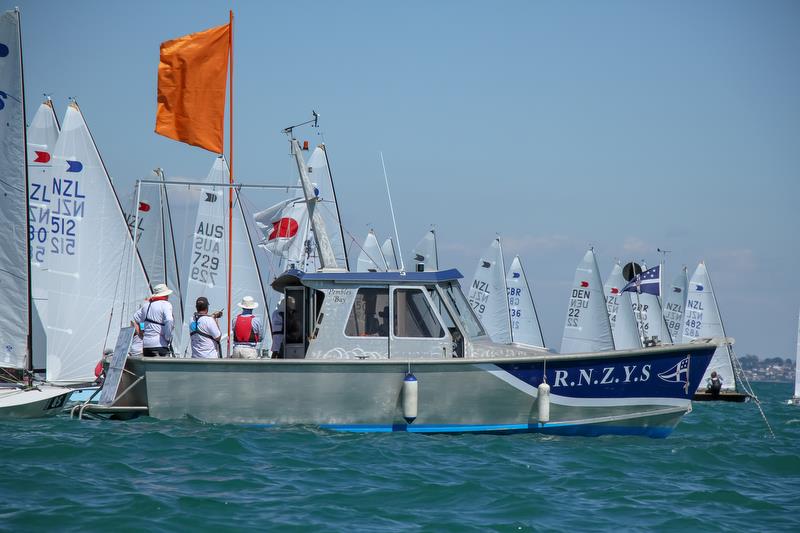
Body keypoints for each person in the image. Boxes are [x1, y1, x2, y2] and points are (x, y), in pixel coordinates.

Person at [132, 283, 174, 357]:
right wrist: (168, 336)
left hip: (146, 346)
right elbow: (169, 320)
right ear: (165, 295)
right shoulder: (166, 304)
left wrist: (142, 331)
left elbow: (137, 319)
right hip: (160, 344)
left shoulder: (146, 306)